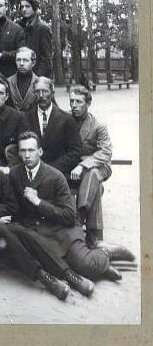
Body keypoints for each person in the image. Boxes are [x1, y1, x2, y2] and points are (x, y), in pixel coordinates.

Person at [0, 136, 70, 299]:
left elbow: (12, 206)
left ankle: (66, 274)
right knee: (6, 231)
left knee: (20, 231)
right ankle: (44, 277)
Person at [8, 132, 120, 297]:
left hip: (62, 231)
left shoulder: (55, 176)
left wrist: (38, 202)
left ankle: (104, 254)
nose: (27, 155)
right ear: (18, 152)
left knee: (86, 265)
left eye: (31, 150)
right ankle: (83, 269)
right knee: (45, 262)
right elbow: (14, 206)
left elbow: (69, 216)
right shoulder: (15, 173)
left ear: (40, 151)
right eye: (23, 150)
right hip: (38, 234)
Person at [69, 86, 113, 247]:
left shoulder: (98, 125)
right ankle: (94, 236)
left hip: (99, 166)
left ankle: (79, 217)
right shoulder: (65, 119)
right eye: (71, 101)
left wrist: (83, 164)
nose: (74, 105)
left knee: (92, 174)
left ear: (88, 103)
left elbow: (105, 152)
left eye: (78, 102)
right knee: (96, 188)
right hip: (74, 167)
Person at [23, 76, 82, 179]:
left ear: (52, 92)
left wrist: (49, 169)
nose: (41, 95)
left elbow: (75, 152)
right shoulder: (25, 118)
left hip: (59, 173)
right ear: (33, 93)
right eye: (38, 91)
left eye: (45, 91)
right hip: (31, 173)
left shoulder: (67, 119)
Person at [16, 0, 53, 78]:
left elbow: (46, 59)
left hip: (36, 76)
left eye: (27, 6)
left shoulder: (43, 28)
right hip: (19, 76)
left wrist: (37, 78)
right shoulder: (18, 26)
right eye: (22, 7)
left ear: (34, 7)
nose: (24, 9)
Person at [7, 46, 39, 112]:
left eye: (25, 60)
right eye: (18, 60)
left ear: (33, 63)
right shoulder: (8, 82)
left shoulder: (40, 83)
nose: (21, 64)